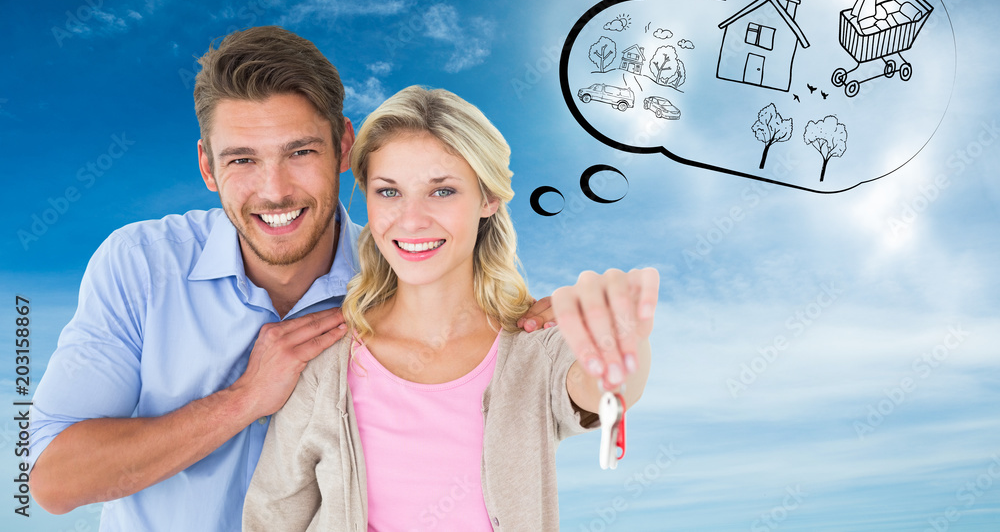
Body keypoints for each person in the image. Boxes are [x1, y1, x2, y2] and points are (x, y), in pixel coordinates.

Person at [27, 27, 650, 531]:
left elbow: (575, 394)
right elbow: (54, 484)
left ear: (342, 147)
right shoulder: (140, 264)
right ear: (207, 167)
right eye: (242, 159)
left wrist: (602, 345)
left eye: (300, 152)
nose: (274, 190)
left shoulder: (408, 276)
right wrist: (245, 400)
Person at [243, 86, 657, 530]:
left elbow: (604, 389)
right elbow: (271, 516)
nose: (412, 219)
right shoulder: (325, 363)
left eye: (441, 192)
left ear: (488, 198)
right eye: (388, 192)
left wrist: (622, 342)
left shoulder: (535, 348)